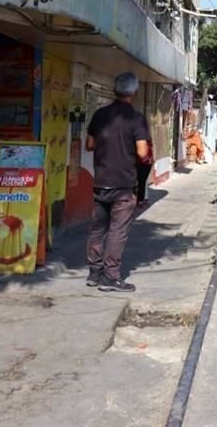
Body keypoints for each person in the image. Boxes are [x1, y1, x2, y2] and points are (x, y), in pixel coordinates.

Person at [85, 72, 150, 293]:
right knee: (117, 231)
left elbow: (89, 144)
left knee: (97, 229)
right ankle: (111, 276)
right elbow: (142, 153)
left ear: (115, 90)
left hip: (100, 181)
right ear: (134, 92)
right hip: (123, 184)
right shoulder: (136, 118)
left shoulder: (100, 114)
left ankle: (94, 272)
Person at [136, 138, 154, 206]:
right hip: (144, 162)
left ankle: (140, 199)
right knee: (142, 181)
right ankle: (140, 199)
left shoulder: (144, 138)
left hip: (145, 162)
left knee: (142, 181)